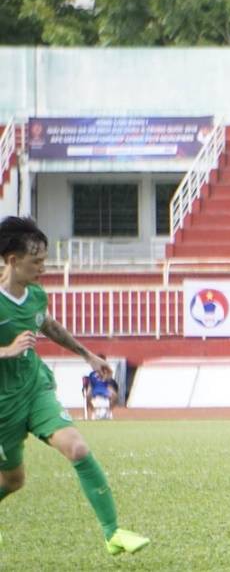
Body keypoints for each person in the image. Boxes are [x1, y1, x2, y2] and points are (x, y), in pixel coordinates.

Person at [0, 216, 149, 555]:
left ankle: (113, 533)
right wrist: (6, 351)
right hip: (3, 404)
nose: (44, 267)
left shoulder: (36, 295)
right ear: (12, 260)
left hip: (34, 390)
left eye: (44, 259)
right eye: (36, 261)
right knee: (13, 480)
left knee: (78, 448)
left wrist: (88, 356)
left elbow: (49, 326)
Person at [82, 356, 119, 420]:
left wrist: (112, 391)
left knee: (115, 396)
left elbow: (109, 384)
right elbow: (90, 385)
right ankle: (94, 412)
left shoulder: (107, 373)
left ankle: (109, 411)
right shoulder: (92, 374)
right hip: (95, 390)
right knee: (87, 397)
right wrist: (88, 391)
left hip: (104, 389)